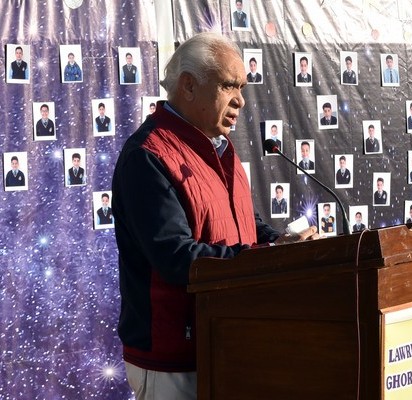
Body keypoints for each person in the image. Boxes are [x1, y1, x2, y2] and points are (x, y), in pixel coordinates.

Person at [111, 33, 318, 400]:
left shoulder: (220, 148)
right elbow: (176, 258)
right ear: (188, 86)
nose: (240, 100)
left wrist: (283, 245)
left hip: (227, 340)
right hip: (173, 357)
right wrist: (267, 257)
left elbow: (245, 225)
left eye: (242, 88)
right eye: (228, 86)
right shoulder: (147, 155)